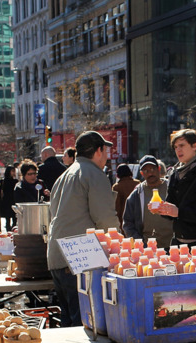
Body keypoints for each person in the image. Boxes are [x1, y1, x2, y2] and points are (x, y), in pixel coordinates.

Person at [47, 131, 120, 327]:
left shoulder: (64, 176)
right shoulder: (94, 174)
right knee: (84, 327)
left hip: (57, 257)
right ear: (99, 151)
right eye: (105, 151)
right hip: (80, 260)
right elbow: (106, 220)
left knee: (68, 325)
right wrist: (122, 248)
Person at [123, 155, 173, 248]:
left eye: (153, 169)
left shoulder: (171, 187)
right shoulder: (137, 193)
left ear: (158, 169)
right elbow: (128, 223)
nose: (150, 173)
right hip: (148, 248)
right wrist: (140, 244)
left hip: (173, 245)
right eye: (146, 171)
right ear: (142, 173)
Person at [112, 163, 140, 227]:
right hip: (138, 215)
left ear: (118, 174)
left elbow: (117, 206)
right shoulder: (137, 183)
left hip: (124, 217)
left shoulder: (117, 187)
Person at [1, 165, 18, 230]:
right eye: (12, 171)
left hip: (13, 199)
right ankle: (8, 227)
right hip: (7, 199)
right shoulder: (4, 181)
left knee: (14, 215)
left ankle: (13, 227)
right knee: (7, 215)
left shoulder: (15, 181)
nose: (14, 173)